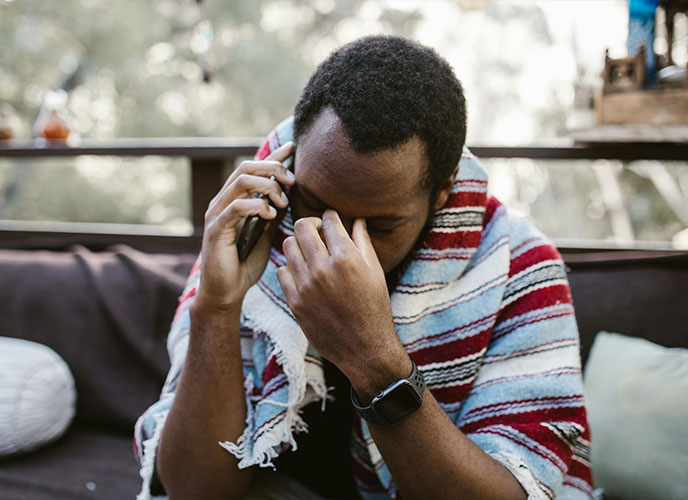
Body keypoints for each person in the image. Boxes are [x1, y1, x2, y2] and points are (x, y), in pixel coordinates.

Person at [134, 35, 593, 500]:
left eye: (379, 225)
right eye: (312, 204)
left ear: (442, 190)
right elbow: (195, 490)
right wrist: (216, 307)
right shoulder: (257, 222)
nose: (336, 245)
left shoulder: (521, 267)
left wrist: (372, 357)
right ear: (296, 153)